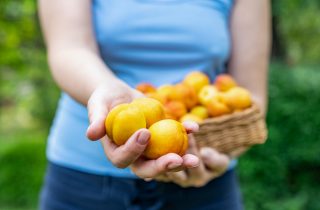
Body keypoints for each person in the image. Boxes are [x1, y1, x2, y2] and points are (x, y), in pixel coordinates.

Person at [38, 0, 270, 209]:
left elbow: (251, 98)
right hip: (82, 179)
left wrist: (225, 155)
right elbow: (68, 49)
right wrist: (106, 88)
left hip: (206, 188)